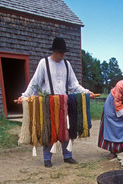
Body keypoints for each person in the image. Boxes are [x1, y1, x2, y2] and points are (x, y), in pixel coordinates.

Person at [17, 37, 95, 167]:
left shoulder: (66, 64)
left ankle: (67, 155)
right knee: (49, 129)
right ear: (54, 51)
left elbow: (74, 84)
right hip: (49, 103)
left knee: (66, 128)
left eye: (64, 52)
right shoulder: (44, 63)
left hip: (65, 102)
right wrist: (25, 96)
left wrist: (86, 92)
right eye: (60, 52)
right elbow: (34, 83)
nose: (62, 55)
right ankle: (47, 158)